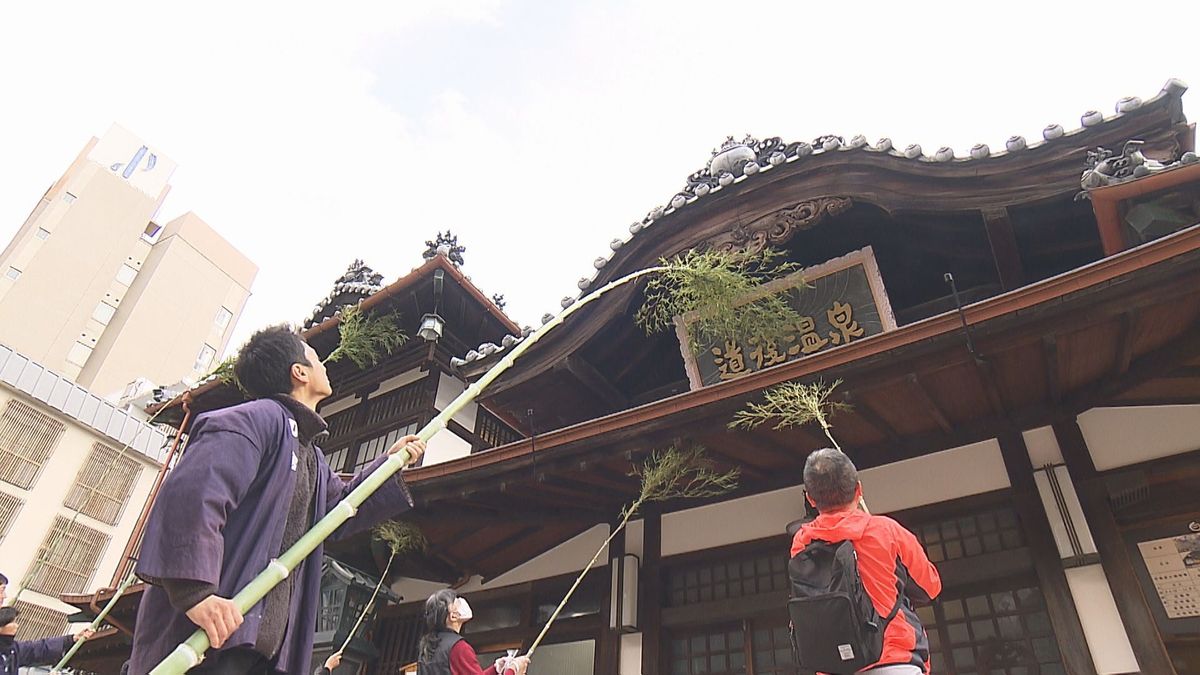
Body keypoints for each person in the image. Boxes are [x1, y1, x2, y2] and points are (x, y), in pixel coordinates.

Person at [129, 325, 426, 675]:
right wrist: (195, 593)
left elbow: (338, 509)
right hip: (212, 637)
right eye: (316, 359)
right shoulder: (254, 421)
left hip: (261, 647)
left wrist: (388, 465)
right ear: (298, 372)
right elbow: (193, 498)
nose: (325, 366)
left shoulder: (310, 455)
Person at [790, 449, 942, 675]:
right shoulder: (885, 530)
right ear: (859, 489)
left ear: (811, 499)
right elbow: (930, 588)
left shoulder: (802, 543)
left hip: (833, 666)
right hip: (893, 658)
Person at [416, 590, 531, 675]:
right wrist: (513, 669)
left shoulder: (429, 647)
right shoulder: (458, 647)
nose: (462, 602)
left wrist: (495, 669)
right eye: (457, 602)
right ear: (453, 616)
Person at [0, 606, 94, 674]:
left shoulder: (12, 648)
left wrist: (71, 639)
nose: (17, 626)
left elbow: (38, 648)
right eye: (12, 622)